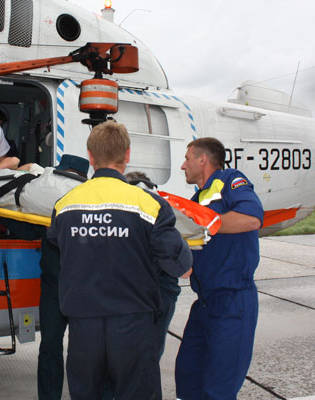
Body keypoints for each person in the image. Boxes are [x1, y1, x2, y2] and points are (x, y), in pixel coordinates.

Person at [47, 121, 193, 400]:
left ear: (90, 156)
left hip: (83, 326)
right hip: (133, 324)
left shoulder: (65, 205)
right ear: (127, 155)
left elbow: (57, 243)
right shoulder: (149, 204)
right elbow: (181, 267)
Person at [175, 137, 264, 400]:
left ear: (202, 160)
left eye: (187, 159)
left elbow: (252, 217)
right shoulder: (196, 200)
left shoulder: (230, 180)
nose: (183, 166)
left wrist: (205, 224)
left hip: (232, 301)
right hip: (204, 304)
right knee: (188, 378)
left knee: (218, 390)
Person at [37, 154, 89, 400]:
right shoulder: (48, 204)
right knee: (51, 348)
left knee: (81, 352)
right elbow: (25, 228)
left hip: (79, 290)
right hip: (57, 288)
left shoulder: (89, 204)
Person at [124, 171, 180, 360]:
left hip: (134, 299)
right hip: (161, 296)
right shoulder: (165, 212)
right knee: (149, 358)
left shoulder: (123, 215)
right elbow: (181, 263)